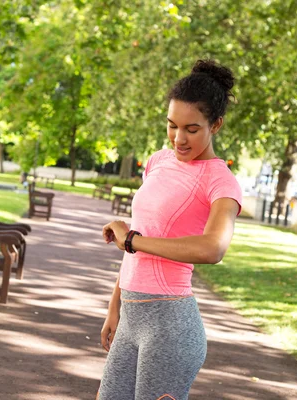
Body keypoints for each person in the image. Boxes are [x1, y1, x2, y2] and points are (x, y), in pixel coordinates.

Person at [98, 59, 242, 400]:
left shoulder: (221, 181)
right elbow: (143, 234)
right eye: (172, 125)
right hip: (131, 316)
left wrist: (133, 239)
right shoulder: (158, 161)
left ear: (216, 125)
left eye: (192, 129)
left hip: (171, 326)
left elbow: (213, 248)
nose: (179, 138)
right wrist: (114, 307)